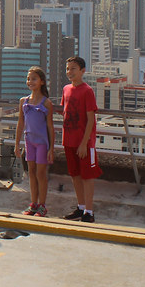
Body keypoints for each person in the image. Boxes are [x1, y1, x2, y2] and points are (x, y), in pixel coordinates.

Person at [61, 56, 101, 222]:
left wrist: (84, 143)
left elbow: (91, 119)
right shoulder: (66, 89)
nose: (70, 72)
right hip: (69, 140)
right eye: (68, 68)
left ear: (82, 71)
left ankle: (89, 212)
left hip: (85, 142)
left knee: (87, 176)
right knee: (75, 175)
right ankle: (81, 207)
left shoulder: (87, 91)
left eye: (73, 69)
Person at [14, 66, 55, 217]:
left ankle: (42, 205)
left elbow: (50, 127)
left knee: (41, 173)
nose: (30, 81)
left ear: (42, 82)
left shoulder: (46, 103)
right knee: (30, 172)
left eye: (34, 79)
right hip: (29, 141)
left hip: (42, 143)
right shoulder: (23, 102)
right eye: (28, 79)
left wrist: (51, 148)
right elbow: (20, 124)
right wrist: (17, 144)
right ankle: (33, 203)